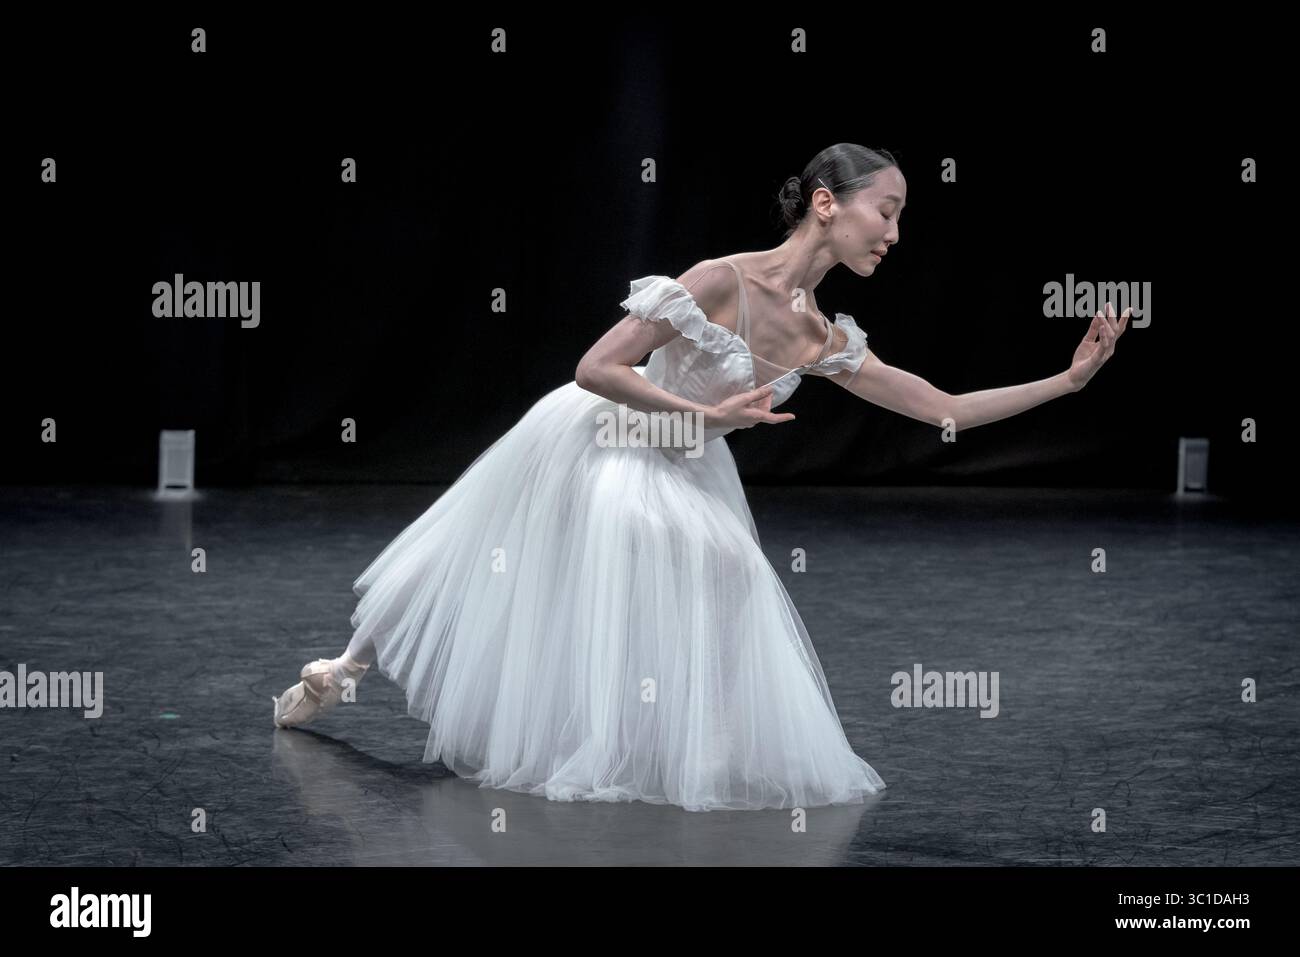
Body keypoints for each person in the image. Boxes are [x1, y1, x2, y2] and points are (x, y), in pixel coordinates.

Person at [271, 143, 1126, 812]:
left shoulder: (824, 337)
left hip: (683, 461)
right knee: (477, 552)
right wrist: (706, 419)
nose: (895, 233)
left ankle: (684, 746)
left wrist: (1068, 382)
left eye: (901, 218)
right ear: (827, 203)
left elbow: (940, 406)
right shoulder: (719, 280)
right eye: (886, 210)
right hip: (605, 436)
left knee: (726, 572)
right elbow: (595, 368)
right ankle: (347, 665)